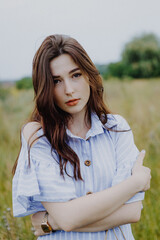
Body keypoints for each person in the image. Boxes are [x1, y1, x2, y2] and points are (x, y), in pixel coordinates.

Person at [12, 34, 151, 240]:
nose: (69, 90)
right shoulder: (38, 135)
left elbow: (132, 212)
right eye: (56, 81)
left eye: (75, 75)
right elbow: (68, 219)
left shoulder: (116, 127)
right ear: (45, 88)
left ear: (89, 75)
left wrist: (51, 222)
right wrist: (136, 183)